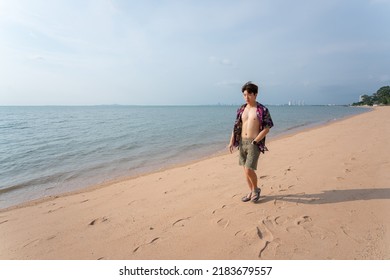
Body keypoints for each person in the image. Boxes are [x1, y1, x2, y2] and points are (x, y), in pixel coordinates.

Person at [228, 81, 274, 203]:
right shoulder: (242, 109)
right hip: (242, 142)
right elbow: (236, 126)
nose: (246, 97)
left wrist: (255, 141)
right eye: (244, 95)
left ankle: (256, 190)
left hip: (254, 142)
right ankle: (251, 190)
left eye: (249, 94)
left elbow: (267, 128)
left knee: (249, 169)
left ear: (255, 94)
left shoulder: (262, 109)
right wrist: (231, 141)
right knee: (245, 171)